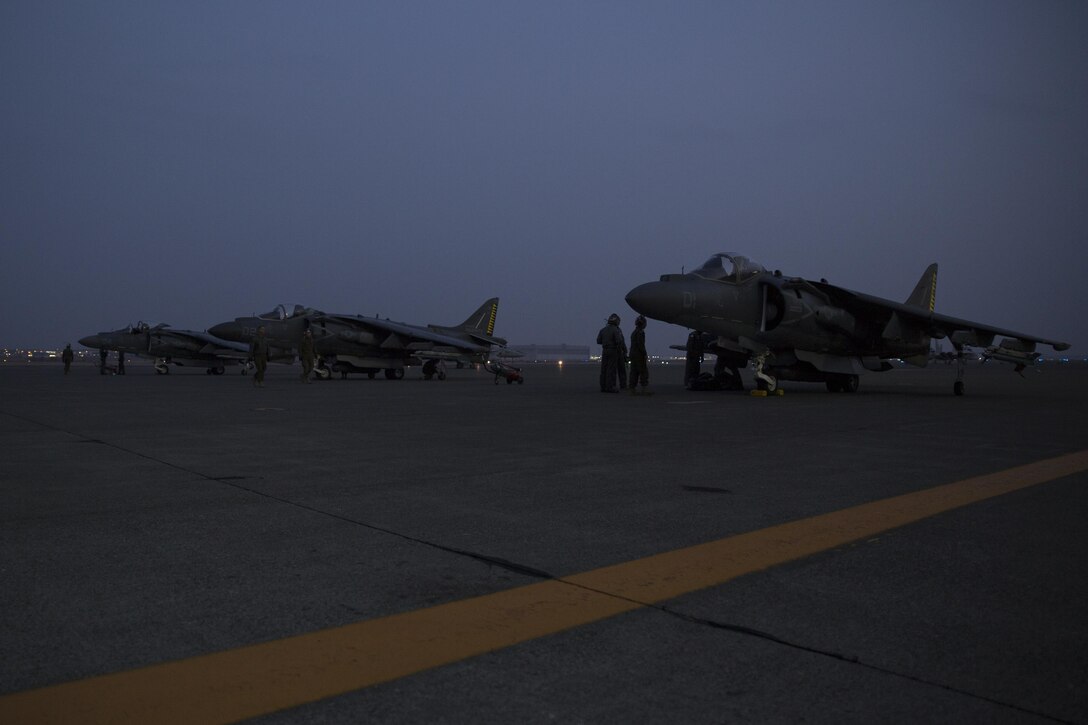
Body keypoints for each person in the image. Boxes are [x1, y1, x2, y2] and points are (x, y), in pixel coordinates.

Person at [596, 313, 624, 393]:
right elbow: (618, 341)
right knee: (611, 369)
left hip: (605, 350)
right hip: (613, 351)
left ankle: (603, 387)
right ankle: (610, 387)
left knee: (604, 369)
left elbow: (598, 341)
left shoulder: (603, 330)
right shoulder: (616, 330)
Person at [628, 315, 649, 394]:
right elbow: (640, 345)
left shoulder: (634, 332)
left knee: (634, 372)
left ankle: (632, 389)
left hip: (633, 354)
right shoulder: (640, 333)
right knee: (643, 371)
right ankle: (644, 389)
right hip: (639, 355)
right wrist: (645, 353)